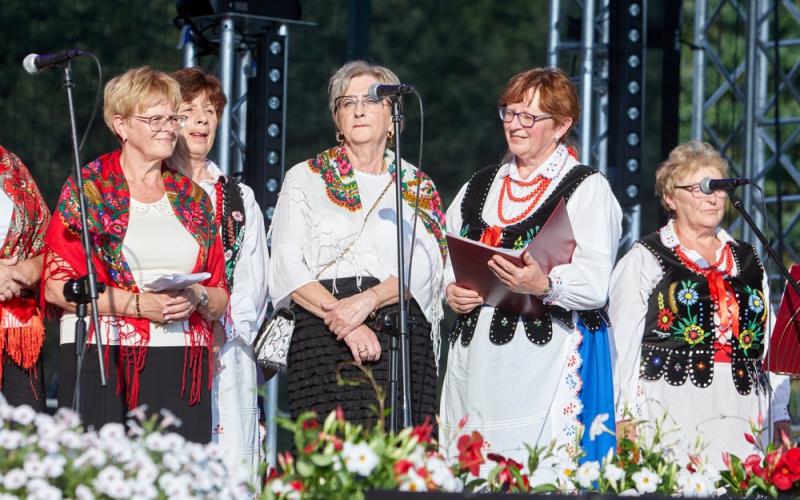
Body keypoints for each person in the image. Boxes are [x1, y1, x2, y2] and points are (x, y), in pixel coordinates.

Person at [440, 67, 622, 473]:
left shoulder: (586, 187)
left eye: (529, 116)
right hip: (474, 362)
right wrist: (451, 289)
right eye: (509, 113)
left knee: (532, 470)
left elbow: (595, 284)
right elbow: (445, 258)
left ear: (562, 126)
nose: (515, 124)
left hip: (541, 361)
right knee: (470, 470)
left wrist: (545, 284)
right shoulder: (479, 185)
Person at [44, 66, 228, 442]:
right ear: (121, 125)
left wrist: (196, 296)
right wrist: (140, 306)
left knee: (179, 472)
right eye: (155, 119)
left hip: (182, 363)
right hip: (103, 355)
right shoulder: (90, 189)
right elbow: (56, 286)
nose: (169, 128)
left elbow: (221, 295)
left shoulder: (192, 198)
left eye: (172, 118)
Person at [268, 60, 447, 427]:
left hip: (401, 333)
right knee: (330, 451)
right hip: (324, 333)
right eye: (347, 102)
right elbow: (286, 264)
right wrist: (345, 321)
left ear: (393, 118)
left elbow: (426, 266)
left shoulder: (417, 185)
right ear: (338, 120)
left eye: (371, 100)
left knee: (401, 451)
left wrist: (369, 300)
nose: (359, 109)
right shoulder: (305, 177)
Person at [609, 140, 790, 469]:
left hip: (746, 411)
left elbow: (770, 343)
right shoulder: (645, 257)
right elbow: (621, 346)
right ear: (670, 198)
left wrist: (780, 412)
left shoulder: (749, 259)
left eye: (718, 187)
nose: (712, 197)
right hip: (672, 406)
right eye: (699, 188)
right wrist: (624, 415)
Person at [170, 67, 269, 484]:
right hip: (163, 341)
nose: (201, 120)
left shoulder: (238, 198)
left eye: (210, 111)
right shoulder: (147, 190)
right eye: (189, 110)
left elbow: (253, 283)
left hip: (225, 352)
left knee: (229, 470)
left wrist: (218, 327)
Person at [0, 145, 50, 410]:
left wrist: (25, 271)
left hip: (16, 328)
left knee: (24, 428)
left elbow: (49, 246)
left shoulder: (10, 165)